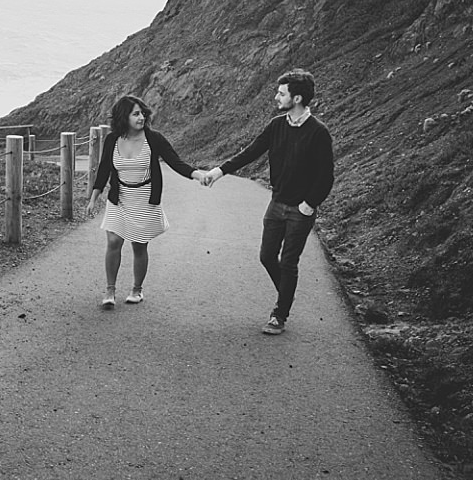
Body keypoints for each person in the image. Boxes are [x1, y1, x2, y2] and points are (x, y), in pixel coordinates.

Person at [202, 69, 333, 335]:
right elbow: (250, 152)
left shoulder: (318, 132)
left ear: (296, 98)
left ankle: (279, 314)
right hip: (277, 203)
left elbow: (326, 175)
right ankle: (287, 293)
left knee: (288, 261)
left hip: (301, 209)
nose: (276, 97)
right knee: (266, 256)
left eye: (281, 93)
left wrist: (309, 203)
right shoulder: (276, 125)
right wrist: (219, 171)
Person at [87, 94, 206, 309]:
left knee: (139, 245)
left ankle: (136, 290)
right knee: (114, 242)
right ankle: (110, 291)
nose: (141, 117)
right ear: (124, 117)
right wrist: (94, 197)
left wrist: (197, 175)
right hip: (119, 198)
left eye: (142, 113)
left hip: (144, 199)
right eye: (135, 114)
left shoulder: (154, 139)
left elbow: (175, 162)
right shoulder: (113, 139)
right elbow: (104, 169)